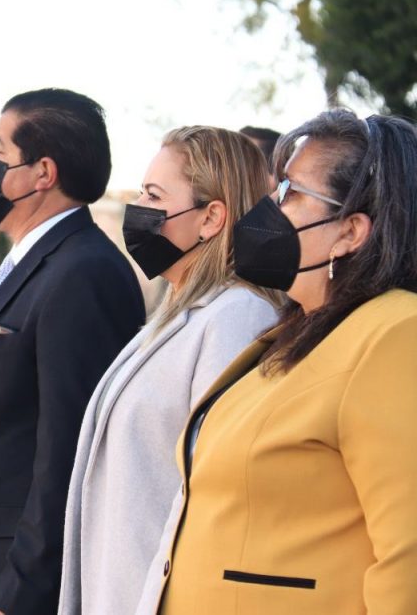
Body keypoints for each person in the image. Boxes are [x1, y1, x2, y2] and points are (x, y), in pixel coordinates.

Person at [145, 110, 417, 614]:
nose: (266, 208)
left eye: (289, 193)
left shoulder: (396, 333)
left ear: (350, 231)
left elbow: (409, 560)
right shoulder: (287, 333)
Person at [0, 88, 145, 615]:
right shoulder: (30, 261)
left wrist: (22, 592)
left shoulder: (83, 270)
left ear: (43, 172)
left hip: (2, 586)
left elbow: (68, 449)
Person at [57, 127, 281, 615]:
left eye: (153, 195)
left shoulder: (238, 316)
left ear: (211, 217)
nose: (138, 206)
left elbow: (216, 492)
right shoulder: (175, 312)